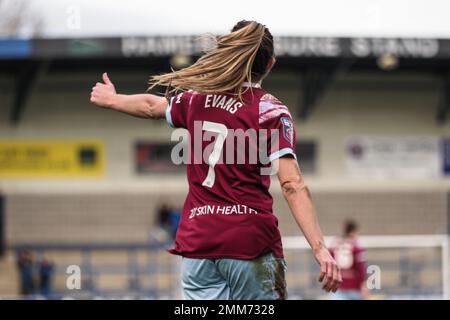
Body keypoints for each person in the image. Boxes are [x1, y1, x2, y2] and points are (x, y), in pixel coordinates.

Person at [90, 20, 341, 300]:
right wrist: (319, 248)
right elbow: (292, 183)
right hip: (249, 242)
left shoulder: (196, 100)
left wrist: (113, 99)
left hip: (198, 244)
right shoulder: (270, 110)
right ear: (270, 63)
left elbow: (152, 106)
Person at [329, 220, 369, 300]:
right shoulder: (357, 245)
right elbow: (360, 267)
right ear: (354, 231)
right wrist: (364, 285)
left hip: (337, 286)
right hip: (354, 287)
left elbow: (330, 264)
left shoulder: (335, 244)